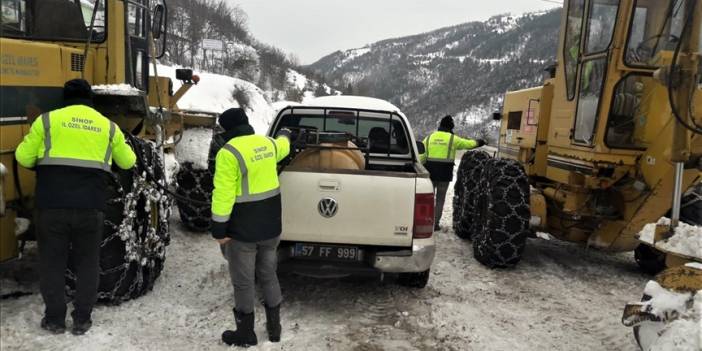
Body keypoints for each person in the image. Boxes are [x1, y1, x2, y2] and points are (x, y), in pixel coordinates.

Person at [15, 79, 136, 335]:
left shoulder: (47, 121)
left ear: (64, 98)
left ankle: (55, 320)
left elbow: (23, 157)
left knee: (52, 263)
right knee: (88, 263)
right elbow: (128, 162)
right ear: (90, 99)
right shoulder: (108, 126)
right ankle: (82, 319)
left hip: (52, 207)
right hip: (90, 208)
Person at [210, 108, 291, 347]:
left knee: (244, 282)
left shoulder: (228, 153)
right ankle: (275, 329)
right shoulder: (268, 144)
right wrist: (286, 133)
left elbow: (223, 195)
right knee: (268, 274)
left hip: (243, 232)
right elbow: (284, 145)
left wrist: (219, 230)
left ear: (226, 130)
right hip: (271, 227)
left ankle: (245, 333)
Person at [420, 115, 485, 230]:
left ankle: (425, 222)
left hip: (430, 174)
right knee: (440, 199)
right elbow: (468, 144)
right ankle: (435, 224)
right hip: (445, 175)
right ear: (450, 127)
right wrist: (480, 142)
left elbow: (421, 157)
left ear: (440, 126)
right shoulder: (452, 139)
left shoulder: (429, 138)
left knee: (428, 199)